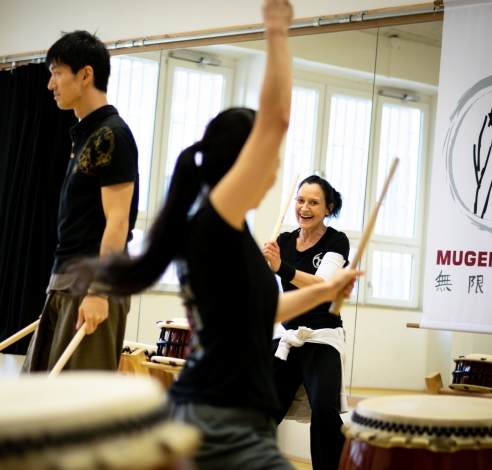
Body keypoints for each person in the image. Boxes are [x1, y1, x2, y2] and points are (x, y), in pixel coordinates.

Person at [62, 2, 362, 468]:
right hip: (217, 415)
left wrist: (328, 289)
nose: (275, 167)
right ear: (242, 161)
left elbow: (262, 310)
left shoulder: (231, 233)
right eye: (269, 159)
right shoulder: (213, 225)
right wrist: (278, 30)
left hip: (230, 416)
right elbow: (276, 119)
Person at [21, 31, 139, 373]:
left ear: (85, 75)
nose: (50, 84)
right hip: (67, 281)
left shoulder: (111, 135)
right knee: (37, 400)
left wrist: (99, 292)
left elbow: (118, 222)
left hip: (94, 282)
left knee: (75, 411)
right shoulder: (85, 134)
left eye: (57, 72)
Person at [262, 176, 349, 470]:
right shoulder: (283, 241)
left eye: (314, 202)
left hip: (322, 335)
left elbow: (321, 285)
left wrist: (280, 268)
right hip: (286, 334)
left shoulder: (336, 241)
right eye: (300, 200)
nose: (304, 207)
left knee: (325, 409)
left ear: (328, 208)